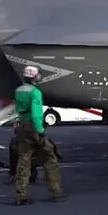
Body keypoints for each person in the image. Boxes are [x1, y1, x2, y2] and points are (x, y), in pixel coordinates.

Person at [12, 65, 66, 205]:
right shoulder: (35, 92)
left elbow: (18, 109)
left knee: (24, 160)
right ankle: (56, 192)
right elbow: (36, 115)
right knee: (50, 157)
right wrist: (41, 132)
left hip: (21, 126)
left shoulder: (18, 90)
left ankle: (21, 195)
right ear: (35, 77)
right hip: (33, 127)